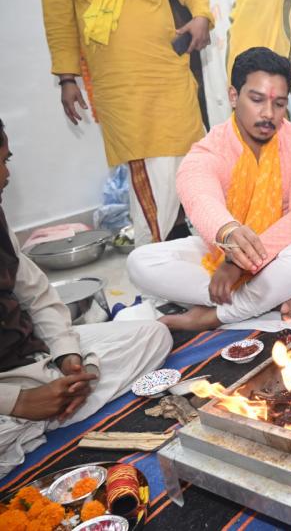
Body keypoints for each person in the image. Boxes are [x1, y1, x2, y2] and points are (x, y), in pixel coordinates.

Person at [0, 118, 172, 478]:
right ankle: (36, 416)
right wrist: (21, 402)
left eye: (6, 160)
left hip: (33, 360)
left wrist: (71, 360)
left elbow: (38, 295)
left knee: (154, 335)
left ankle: (55, 405)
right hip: (9, 390)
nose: (6, 175)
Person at [127, 48, 291, 331]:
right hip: (221, 251)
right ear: (234, 96)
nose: (269, 114)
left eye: (280, 104)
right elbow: (198, 192)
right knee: (141, 262)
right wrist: (229, 235)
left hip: (280, 252)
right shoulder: (214, 145)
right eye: (257, 100)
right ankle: (266, 298)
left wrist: (239, 265)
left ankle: (215, 315)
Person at [42, 0, 213, 246]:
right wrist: (67, 79)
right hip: (120, 82)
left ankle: (179, 242)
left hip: (166, 65)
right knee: (153, 172)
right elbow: (59, 21)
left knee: (190, 158)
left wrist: (201, 14)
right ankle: (152, 259)